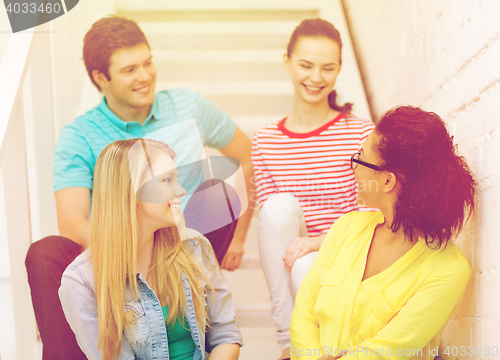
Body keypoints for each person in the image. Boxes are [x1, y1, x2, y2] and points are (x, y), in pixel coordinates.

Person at [25, 16, 254, 360]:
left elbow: (248, 157)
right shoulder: (80, 135)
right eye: (130, 69)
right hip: (116, 250)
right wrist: (131, 248)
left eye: (148, 63)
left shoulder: (188, 104)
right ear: (101, 78)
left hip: (184, 238)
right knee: (45, 252)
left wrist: (238, 239)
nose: (145, 75)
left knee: (219, 190)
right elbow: (72, 223)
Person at [290, 106, 475, 360]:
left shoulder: (448, 270)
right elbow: (303, 314)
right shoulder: (347, 227)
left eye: (360, 158)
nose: (353, 169)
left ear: (387, 181)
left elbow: (387, 351)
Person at [251, 18, 374, 358]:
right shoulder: (265, 141)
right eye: (306, 65)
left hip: (345, 256)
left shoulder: (362, 134)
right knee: (276, 208)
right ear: (287, 62)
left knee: (308, 265)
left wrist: (320, 242)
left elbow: (373, 215)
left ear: (339, 70)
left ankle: (317, 346)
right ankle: (291, 343)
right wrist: (304, 247)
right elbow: (271, 227)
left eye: (327, 68)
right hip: (294, 259)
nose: (316, 78)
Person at [59, 138, 242, 360]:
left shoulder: (195, 247)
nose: (181, 190)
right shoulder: (82, 283)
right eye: (167, 180)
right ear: (131, 191)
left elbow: (226, 336)